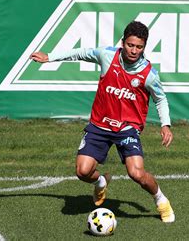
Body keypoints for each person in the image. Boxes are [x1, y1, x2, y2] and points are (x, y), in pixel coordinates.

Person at [30, 21, 175, 223]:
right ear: (123, 42)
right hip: (99, 125)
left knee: (136, 173)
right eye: (130, 45)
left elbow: (160, 99)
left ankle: (161, 200)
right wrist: (50, 58)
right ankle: (101, 181)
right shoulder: (107, 55)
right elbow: (80, 53)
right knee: (82, 171)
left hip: (127, 129)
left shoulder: (149, 74)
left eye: (139, 47)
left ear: (144, 47)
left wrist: (165, 125)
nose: (134, 50)